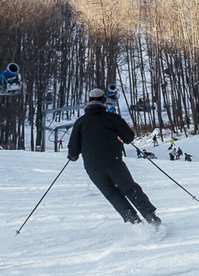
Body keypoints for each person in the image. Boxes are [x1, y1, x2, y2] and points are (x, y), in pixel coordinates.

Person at [67, 88, 161, 227]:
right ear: (104, 101)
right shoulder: (113, 118)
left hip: (92, 167)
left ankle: (133, 221)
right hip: (113, 162)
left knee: (110, 193)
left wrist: (73, 154)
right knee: (130, 188)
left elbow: (73, 152)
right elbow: (128, 138)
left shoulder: (81, 122)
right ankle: (150, 217)